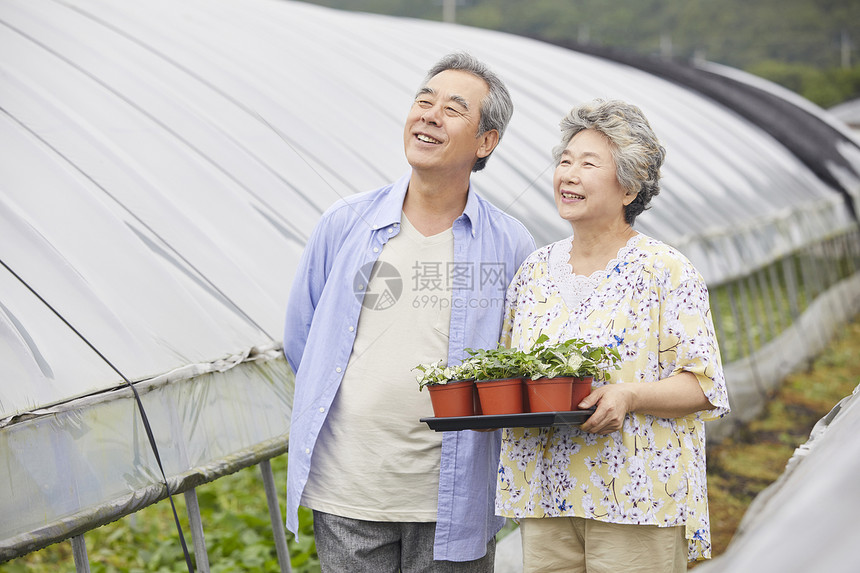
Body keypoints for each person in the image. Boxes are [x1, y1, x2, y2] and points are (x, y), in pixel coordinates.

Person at [283, 52, 535, 571]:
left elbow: (519, 359)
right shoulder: (346, 223)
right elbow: (302, 337)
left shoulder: (509, 244)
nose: (429, 114)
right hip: (349, 489)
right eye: (424, 100)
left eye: (453, 109)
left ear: (485, 141)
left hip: (454, 496)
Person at [496, 99, 730, 572]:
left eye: (588, 164)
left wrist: (629, 394)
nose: (569, 174)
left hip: (636, 497)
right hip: (546, 493)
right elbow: (509, 371)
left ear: (628, 187)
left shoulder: (665, 271)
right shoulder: (535, 271)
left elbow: (704, 386)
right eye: (565, 161)